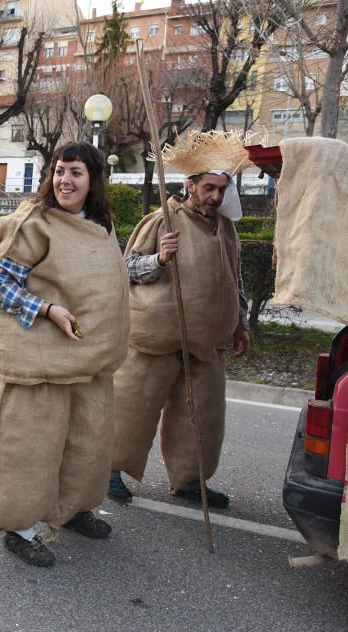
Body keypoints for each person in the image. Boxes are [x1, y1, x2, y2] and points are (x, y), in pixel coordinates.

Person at [0, 142, 130, 567]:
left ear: (94, 180)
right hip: (42, 358)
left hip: (89, 359)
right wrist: (47, 309)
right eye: (60, 171)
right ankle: (18, 528)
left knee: (87, 444)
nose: (65, 180)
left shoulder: (101, 226)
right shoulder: (34, 223)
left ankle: (73, 509)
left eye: (76, 172)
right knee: (31, 448)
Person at [108, 130, 251, 509]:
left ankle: (190, 482)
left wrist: (241, 323)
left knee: (202, 421)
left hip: (207, 345)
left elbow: (235, 279)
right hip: (155, 341)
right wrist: (159, 259)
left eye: (221, 190)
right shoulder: (161, 221)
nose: (215, 197)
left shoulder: (226, 229)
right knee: (132, 411)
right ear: (191, 185)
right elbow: (125, 270)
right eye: (209, 188)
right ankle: (109, 471)